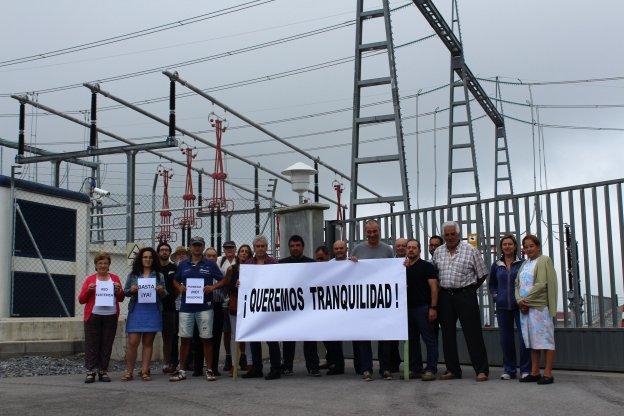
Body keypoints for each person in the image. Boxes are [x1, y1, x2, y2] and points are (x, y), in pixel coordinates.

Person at [433, 221, 489, 382]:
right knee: (448, 334)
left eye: (453, 234)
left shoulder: (471, 250)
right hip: (445, 296)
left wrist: (470, 289)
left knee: (473, 333)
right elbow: (434, 273)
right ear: (444, 236)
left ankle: (481, 370)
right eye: (447, 235)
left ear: (458, 235)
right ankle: (452, 370)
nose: (450, 237)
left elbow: (482, 274)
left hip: (465, 294)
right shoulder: (438, 252)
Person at [169, 236, 228, 382]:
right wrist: (180, 287)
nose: (197, 247)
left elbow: (223, 279)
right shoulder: (183, 264)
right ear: (190, 247)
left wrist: (212, 287)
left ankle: (209, 369)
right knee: (185, 339)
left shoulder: (210, 264)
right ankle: (181, 370)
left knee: (207, 339)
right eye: (194, 245)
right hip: (186, 308)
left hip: (205, 307)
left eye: (199, 245)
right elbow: (175, 280)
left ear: (203, 246)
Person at [350, 219, 395, 381]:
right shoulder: (358, 249)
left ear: (379, 231)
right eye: (369, 232)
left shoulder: (388, 250)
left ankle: (385, 369)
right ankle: (366, 369)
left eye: (374, 231)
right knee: (364, 336)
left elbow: (393, 272)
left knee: (384, 336)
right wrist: (351, 263)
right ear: (365, 232)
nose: (372, 234)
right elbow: (351, 273)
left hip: (382, 300)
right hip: (363, 301)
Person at [516, 234, 558, 385]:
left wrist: (525, 300)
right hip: (525, 309)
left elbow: (541, 284)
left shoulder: (544, 260)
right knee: (532, 341)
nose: (528, 249)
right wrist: (519, 301)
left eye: (531, 246)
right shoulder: (524, 264)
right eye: (525, 247)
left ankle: (548, 373)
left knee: (546, 340)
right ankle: (534, 372)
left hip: (539, 308)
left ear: (538, 246)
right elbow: (517, 284)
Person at [122, 247, 168, 381]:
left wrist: (160, 290)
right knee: (132, 342)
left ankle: (144, 371)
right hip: (137, 310)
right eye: (145, 257)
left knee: (148, 343)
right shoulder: (133, 275)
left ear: (154, 259)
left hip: (152, 311)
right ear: (140, 259)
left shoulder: (159, 276)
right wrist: (131, 290)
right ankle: (129, 371)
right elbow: (125, 292)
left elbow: (165, 294)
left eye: (150, 257)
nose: (147, 260)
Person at [488, 234, 530, 380]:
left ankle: (525, 369)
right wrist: (496, 296)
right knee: (506, 339)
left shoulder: (523, 264)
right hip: (502, 307)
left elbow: (527, 283)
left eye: (510, 244)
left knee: (524, 339)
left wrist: (524, 300)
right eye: (504, 244)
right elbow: (492, 284)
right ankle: (509, 369)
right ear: (501, 247)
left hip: (520, 306)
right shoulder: (496, 265)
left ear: (515, 246)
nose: (507, 246)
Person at [78, 252, 125, 383]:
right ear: (96, 265)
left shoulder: (115, 278)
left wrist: (118, 290)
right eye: (100, 263)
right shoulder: (90, 279)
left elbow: (121, 298)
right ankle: (91, 371)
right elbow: (81, 300)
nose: (103, 265)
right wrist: (88, 290)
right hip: (93, 315)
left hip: (111, 315)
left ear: (109, 265)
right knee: (92, 344)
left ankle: (103, 371)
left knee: (107, 343)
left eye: (105, 263)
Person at [279, 235, 321, 377]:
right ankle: (287, 366)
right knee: (288, 338)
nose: (295, 248)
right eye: (292, 246)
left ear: (303, 247)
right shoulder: (280, 264)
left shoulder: (312, 264)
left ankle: (313, 367)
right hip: (289, 307)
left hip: (308, 308)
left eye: (297, 245)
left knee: (310, 338)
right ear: (289, 247)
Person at [242, 235, 283, 380]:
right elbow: (244, 284)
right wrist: (240, 285)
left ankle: (276, 369)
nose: (260, 248)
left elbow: (280, 281)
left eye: (263, 246)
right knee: (254, 338)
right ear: (254, 248)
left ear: (266, 247)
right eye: (257, 246)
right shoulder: (248, 264)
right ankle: (257, 368)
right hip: (254, 306)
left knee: (272, 339)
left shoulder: (273, 262)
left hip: (270, 305)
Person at [404, 239, 439, 381]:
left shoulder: (427, 266)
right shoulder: (402, 268)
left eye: (414, 248)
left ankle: (431, 369)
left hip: (423, 308)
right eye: (409, 248)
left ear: (419, 250)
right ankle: (415, 369)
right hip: (407, 310)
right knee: (412, 340)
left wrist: (433, 307)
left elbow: (434, 288)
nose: (411, 250)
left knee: (429, 340)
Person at [224, 244, 253, 374]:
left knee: (249, 335)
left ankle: (250, 363)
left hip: (251, 305)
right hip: (236, 304)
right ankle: (234, 365)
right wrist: (234, 285)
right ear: (238, 253)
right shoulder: (232, 269)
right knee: (234, 335)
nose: (244, 253)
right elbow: (227, 288)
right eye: (242, 251)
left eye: (246, 251)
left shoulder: (254, 269)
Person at [157, 242, 179, 374]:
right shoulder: (154, 268)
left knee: (170, 337)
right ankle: (145, 366)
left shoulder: (174, 268)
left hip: (170, 307)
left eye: (166, 250)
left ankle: (170, 363)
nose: (164, 252)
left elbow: (178, 286)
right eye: (162, 250)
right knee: (149, 335)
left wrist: (173, 296)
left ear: (170, 253)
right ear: (158, 252)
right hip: (153, 307)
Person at [216, 241, 237, 373]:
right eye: (226, 248)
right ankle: (229, 357)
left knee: (238, 331)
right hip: (223, 299)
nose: (229, 250)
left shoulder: (239, 260)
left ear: (235, 249)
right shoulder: (220, 260)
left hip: (235, 298)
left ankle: (241, 358)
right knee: (227, 331)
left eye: (231, 248)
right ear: (223, 249)